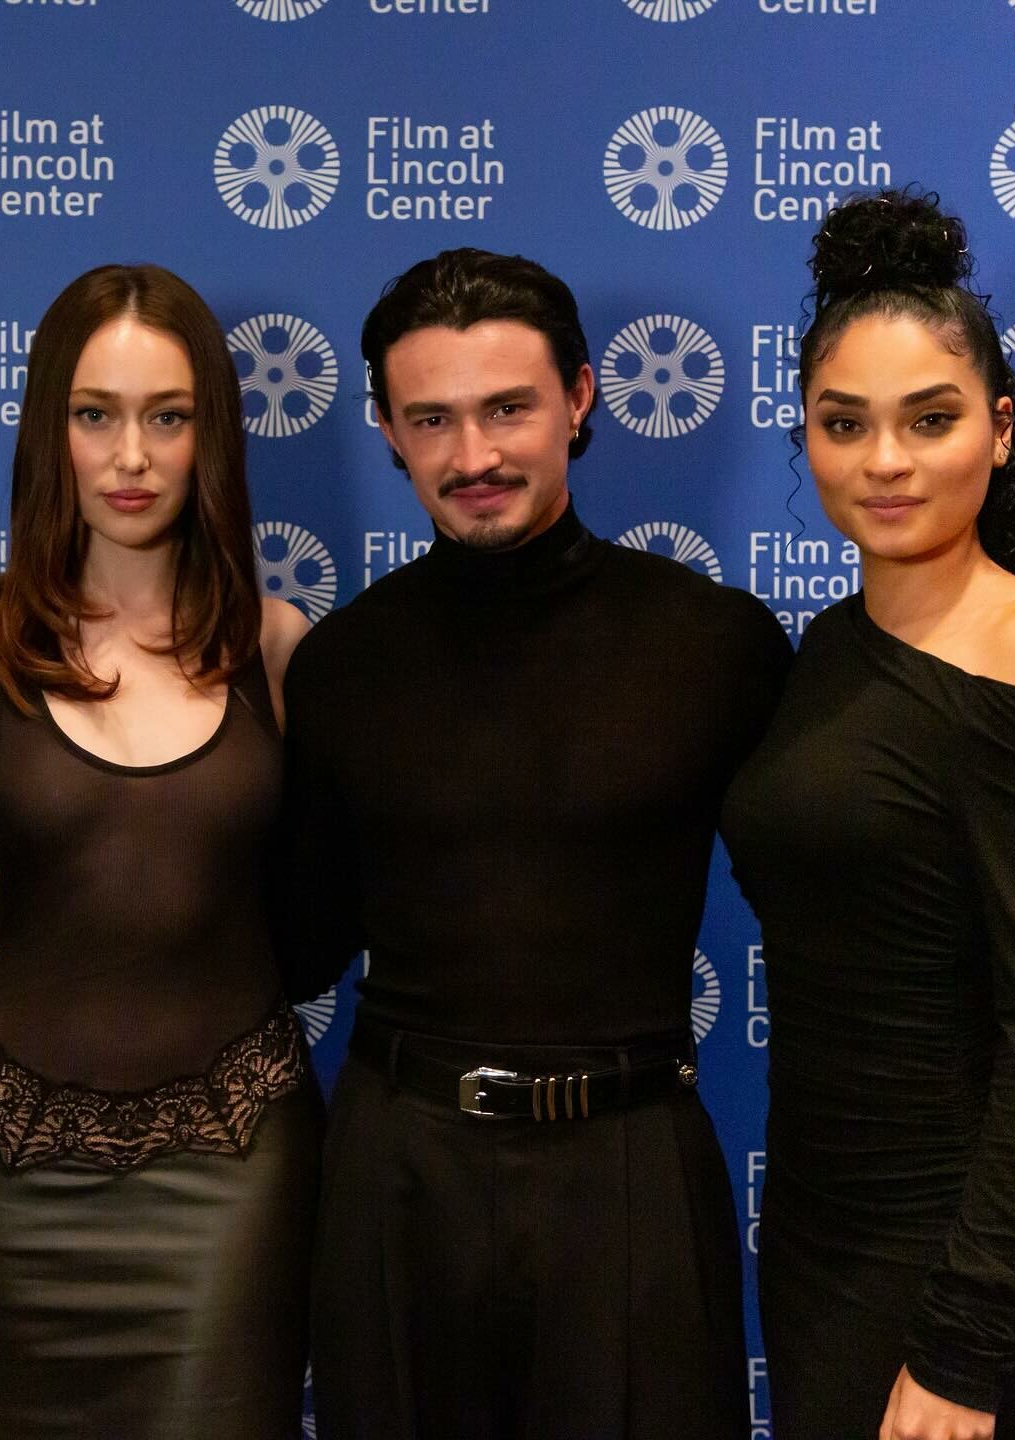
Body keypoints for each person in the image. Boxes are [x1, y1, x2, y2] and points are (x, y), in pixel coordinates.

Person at [276, 248, 793, 1439]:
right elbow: (286, 943)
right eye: (432, 420)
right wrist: (59, 919)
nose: (474, 456)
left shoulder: (715, 645)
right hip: (397, 1177)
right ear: (386, 430)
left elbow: (840, 905)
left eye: (507, 408)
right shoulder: (343, 665)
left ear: (580, 398)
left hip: (633, 1174)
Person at [0, 263, 318, 1440]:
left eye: (168, 417)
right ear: (51, 429)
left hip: (235, 1176)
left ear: (212, 437)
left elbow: (337, 902)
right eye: (96, 415)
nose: (131, 456)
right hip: (4, 1175)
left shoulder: (278, 648)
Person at [722, 191, 1015, 1440]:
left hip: (968, 1261)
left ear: (1001, 428)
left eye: (931, 418)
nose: (886, 462)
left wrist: (965, 1343)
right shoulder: (826, 650)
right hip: (821, 1236)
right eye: (844, 423)